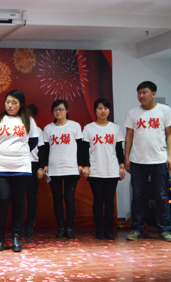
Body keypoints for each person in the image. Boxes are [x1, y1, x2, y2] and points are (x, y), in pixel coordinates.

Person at [0, 90, 39, 252]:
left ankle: (16, 236)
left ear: (21, 104)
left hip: (21, 167)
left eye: (14, 102)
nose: (10, 105)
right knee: (2, 199)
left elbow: (34, 141)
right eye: (8, 101)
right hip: (0, 166)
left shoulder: (28, 120)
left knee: (19, 202)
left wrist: (20, 152)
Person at [124, 81, 171, 242]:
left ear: (154, 94)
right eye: (139, 93)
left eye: (144, 92)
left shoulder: (164, 110)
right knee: (138, 196)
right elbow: (129, 136)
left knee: (162, 196)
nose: (141, 96)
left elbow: (169, 134)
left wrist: (170, 155)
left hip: (159, 159)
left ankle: (164, 229)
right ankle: (137, 229)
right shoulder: (133, 113)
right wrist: (127, 158)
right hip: (138, 160)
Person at [39, 99, 87, 239]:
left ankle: (70, 227)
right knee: (57, 199)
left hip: (71, 168)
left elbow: (81, 147)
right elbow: (45, 149)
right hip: (54, 169)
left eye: (60, 109)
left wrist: (81, 165)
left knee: (69, 198)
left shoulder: (74, 126)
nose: (58, 112)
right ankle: (60, 227)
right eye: (55, 110)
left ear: (67, 110)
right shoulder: (48, 128)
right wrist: (44, 165)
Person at [82, 98, 125, 240]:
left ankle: (109, 229)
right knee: (98, 200)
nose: (103, 111)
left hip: (112, 169)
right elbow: (84, 149)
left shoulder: (115, 128)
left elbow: (119, 149)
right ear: (95, 110)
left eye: (105, 108)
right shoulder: (89, 128)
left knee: (109, 200)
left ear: (109, 111)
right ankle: (99, 229)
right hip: (95, 170)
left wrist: (122, 166)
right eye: (100, 108)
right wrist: (86, 166)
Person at [24, 104, 44, 238]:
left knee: (31, 197)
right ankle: (19, 225)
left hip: (33, 164)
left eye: (30, 114)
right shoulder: (17, 129)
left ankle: (30, 225)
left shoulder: (38, 130)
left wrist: (41, 167)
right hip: (19, 165)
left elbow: (41, 150)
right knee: (18, 197)